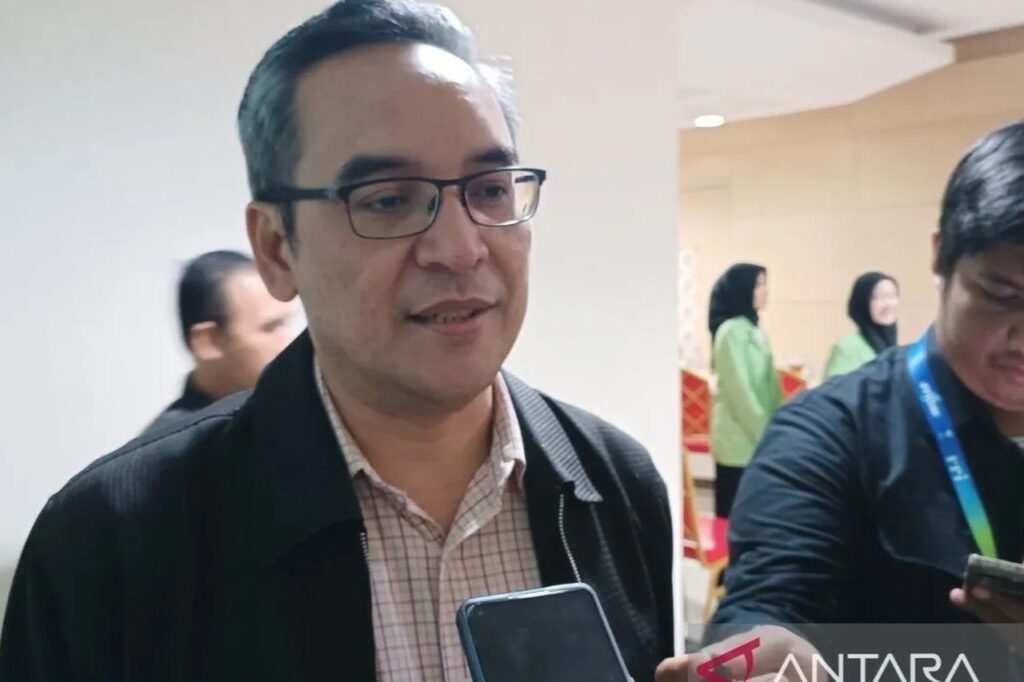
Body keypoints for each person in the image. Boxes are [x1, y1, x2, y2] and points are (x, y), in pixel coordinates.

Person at [0, 2, 673, 681]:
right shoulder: (112, 540)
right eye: (387, 199)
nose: (460, 248)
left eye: (491, 189)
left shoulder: (615, 483)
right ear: (276, 248)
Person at [656, 121, 1024, 681]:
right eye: (1002, 295)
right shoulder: (829, 432)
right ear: (941, 256)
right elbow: (771, 601)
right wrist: (758, 655)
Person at [143, 250, 295, 434]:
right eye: (270, 328)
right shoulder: (178, 446)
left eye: (284, 323)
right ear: (207, 342)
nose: (288, 342)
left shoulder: (287, 408)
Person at [707, 263, 781, 518]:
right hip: (737, 443)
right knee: (735, 518)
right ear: (743, 289)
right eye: (758, 285)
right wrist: (767, 436)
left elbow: (771, 389)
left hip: (759, 440)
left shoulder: (756, 331)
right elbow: (741, 394)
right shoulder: (730, 332)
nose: (765, 291)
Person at [823, 271, 899, 378]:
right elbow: (836, 388)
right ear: (863, 302)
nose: (888, 304)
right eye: (878, 297)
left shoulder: (895, 350)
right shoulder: (848, 347)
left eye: (892, 296)